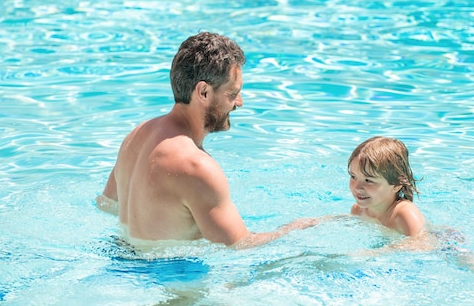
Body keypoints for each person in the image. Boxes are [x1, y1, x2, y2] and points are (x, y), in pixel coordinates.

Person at [96, 32, 316, 248]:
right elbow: (239, 246)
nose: (239, 102)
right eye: (232, 94)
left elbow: (106, 204)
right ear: (203, 92)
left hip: (123, 257)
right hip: (173, 275)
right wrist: (291, 230)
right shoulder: (195, 166)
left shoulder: (136, 135)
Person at [348, 136, 426, 238]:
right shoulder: (358, 210)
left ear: (397, 184)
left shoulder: (404, 213)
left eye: (369, 180)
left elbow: (420, 246)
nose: (357, 187)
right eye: (353, 176)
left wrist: (369, 254)